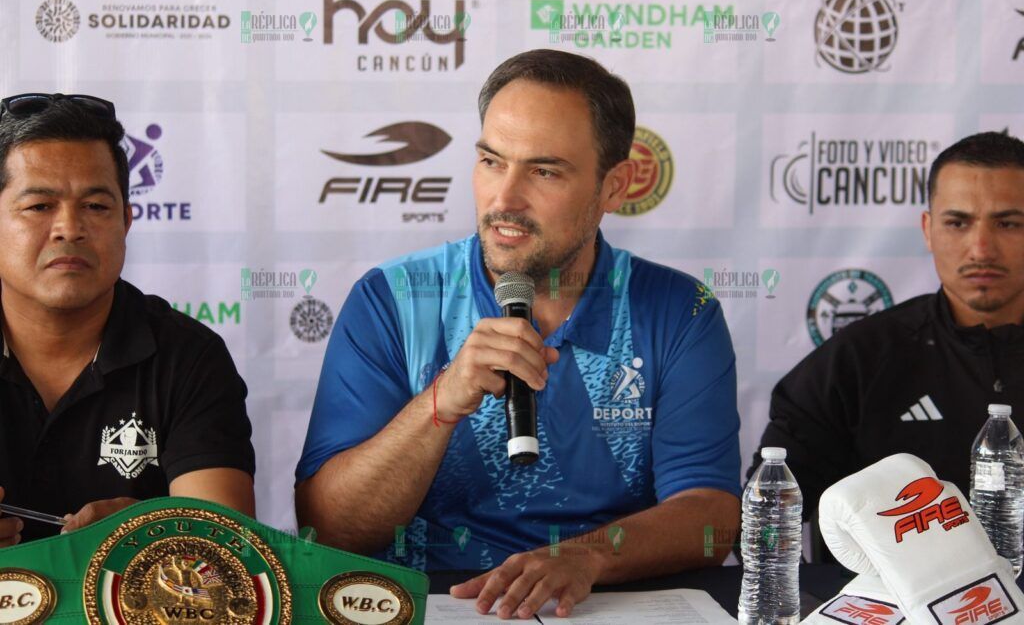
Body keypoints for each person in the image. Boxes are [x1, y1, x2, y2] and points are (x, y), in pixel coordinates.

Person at [295, 49, 741, 619]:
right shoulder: (393, 298)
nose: (504, 200)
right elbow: (329, 530)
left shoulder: (681, 311)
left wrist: (586, 558)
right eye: (490, 161)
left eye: (544, 171)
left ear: (615, 186)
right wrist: (442, 401)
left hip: (602, 604)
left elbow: (710, 514)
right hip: (436, 604)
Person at [0, 93, 256, 547]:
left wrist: (155, 532)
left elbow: (224, 548)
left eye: (96, 207)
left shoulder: (188, 357)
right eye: (40, 206)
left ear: (127, 222)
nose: (69, 228)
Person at [750, 131, 1024, 525]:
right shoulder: (859, 359)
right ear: (928, 229)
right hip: (890, 589)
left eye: (1007, 224)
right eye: (957, 222)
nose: (980, 248)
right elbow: (767, 520)